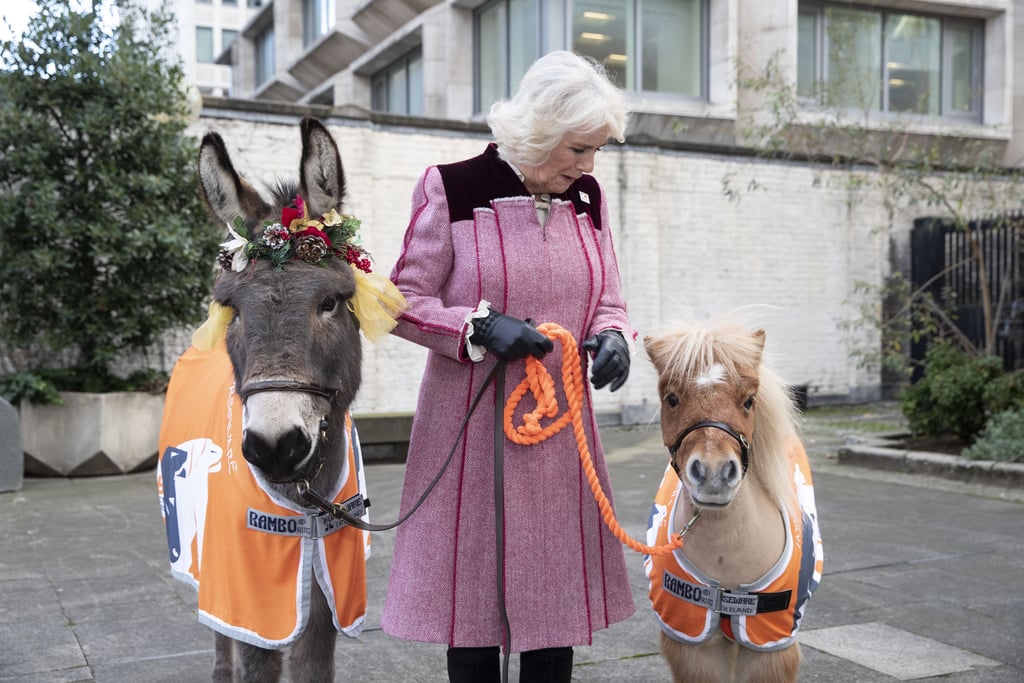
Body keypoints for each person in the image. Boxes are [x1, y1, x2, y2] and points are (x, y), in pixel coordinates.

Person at [382, 50, 635, 682]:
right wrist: (479, 325)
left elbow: (607, 294)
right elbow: (401, 301)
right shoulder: (451, 186)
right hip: (469, 431)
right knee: (470, 605)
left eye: (596, 152)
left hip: (557, 432)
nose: (588, 165)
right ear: (541, 133)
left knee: (555, 608)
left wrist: (613, 336)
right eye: (580, 149)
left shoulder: (587, 196)